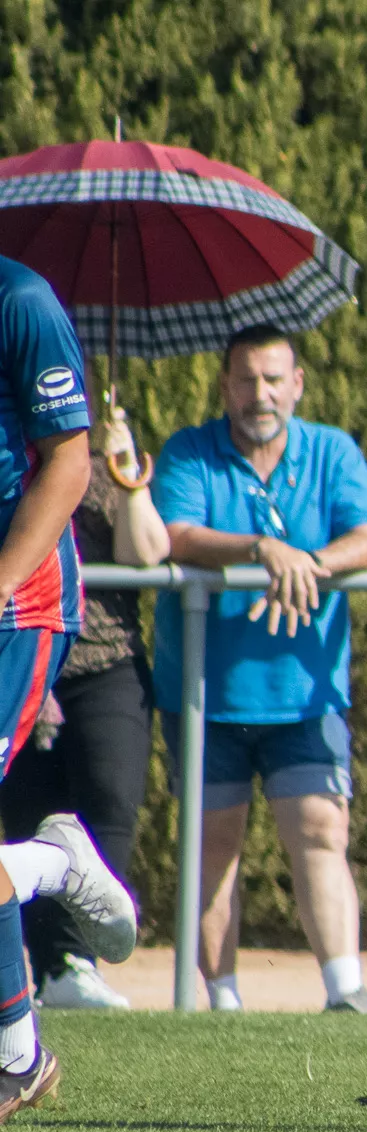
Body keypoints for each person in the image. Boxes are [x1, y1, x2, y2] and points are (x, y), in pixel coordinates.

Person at [153, 324, 367, 1014]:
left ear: (298, 383)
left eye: (273, 378)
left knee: (321, 829)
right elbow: (176, 533)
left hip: (306, 693)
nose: (261, 393)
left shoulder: (331, 449)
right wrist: (262, 547)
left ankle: (346, 991)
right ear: (225, 385)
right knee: (213, 844)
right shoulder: (190, 452)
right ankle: (221, 999)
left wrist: (307, 562)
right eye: (247, 379)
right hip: (204, 692)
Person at [0, 253, 142, 1123]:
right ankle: (18, 1057)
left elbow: (68, 466)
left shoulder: (21, 300)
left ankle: (55, 862)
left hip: (22, 604)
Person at [0, 400, 167, 1010]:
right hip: (27, 651)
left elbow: (147, 551)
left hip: (91, 655)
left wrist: (127, 477)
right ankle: (47, 970)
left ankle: (74, 960)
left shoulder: (88, 464)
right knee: (24, 807)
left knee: (109, 795)